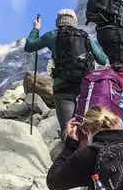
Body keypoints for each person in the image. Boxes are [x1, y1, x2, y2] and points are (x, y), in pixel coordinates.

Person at [24, 9, 109, 141]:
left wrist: (36, 29)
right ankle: (87, 156)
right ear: (74, 22)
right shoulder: (85, 36)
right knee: (87, 126)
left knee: (67, 127)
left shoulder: (52, 35)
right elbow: (102, 60)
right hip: (84, 87)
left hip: (62, 87)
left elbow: (29, 46)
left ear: (58, 22)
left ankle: (68, 157)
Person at [46, 106, 123, 190]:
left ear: (86, 130)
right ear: (118, 121)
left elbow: (53, 182)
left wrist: (71, 145)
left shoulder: (88, 154)